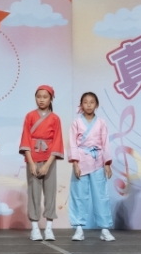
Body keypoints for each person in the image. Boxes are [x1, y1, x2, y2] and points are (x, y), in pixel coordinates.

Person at [19, 85, 64, 241]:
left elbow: (57, 141)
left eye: (45, 97)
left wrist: (47, 164)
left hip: (49, 159)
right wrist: (31, 162)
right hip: (33, 157)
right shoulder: (30, 116)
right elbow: (25, 138)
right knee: (34, 193)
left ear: (51, 99)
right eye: (39, 97)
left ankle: (49, 229)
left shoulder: (55, 118)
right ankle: (35, 229)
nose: (42, 100)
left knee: (50, 193)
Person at [69, 92, 115, 242]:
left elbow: (105, 143)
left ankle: (105, 229)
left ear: (97, 105)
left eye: (92, 102)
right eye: (85, 102)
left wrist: (107, 163)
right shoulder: (76, 122)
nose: (88, 105)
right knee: (79, 195)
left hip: (98, 161)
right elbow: (72, 143)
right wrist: (75, 163)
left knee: (101, 195)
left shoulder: (101, 122)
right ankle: (78, 228)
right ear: (81, 105)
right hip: (81, 160)